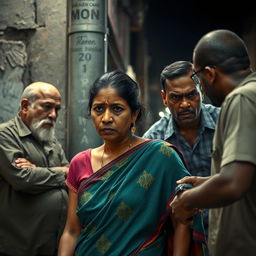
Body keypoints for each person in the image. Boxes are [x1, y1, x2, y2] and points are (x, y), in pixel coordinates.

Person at [58, 70, 207, 255]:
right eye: (98, 109)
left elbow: (182, 223)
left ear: (134, 114)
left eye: (117, 109)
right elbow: (72, 231)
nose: (106, 118)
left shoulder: (160, 156)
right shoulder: (79, 163)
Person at [170, 29, 256, 256]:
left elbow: (233, 183)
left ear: (209, 74)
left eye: (198, 81)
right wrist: (207, 182)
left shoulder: (241, 99)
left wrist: (186, 200)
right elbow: (247, 175)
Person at [143, 60, 220, 236]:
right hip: (178, 235)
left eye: (192, 95)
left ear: (203, 91)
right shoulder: (154, 139)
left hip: (226, 229)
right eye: (176, 97)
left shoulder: (224, 122)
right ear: (164, 98)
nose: (185, 104)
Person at [0, 82, 69, 256]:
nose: (53, 115)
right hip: (19, 246)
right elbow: (23, 179)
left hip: (52, 245)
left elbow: (73, 175)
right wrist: (61, 171)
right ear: (25, 106)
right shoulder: (5, 135)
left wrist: (37, 171)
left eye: (57, 109)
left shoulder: (50, 140)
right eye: (47, 107)